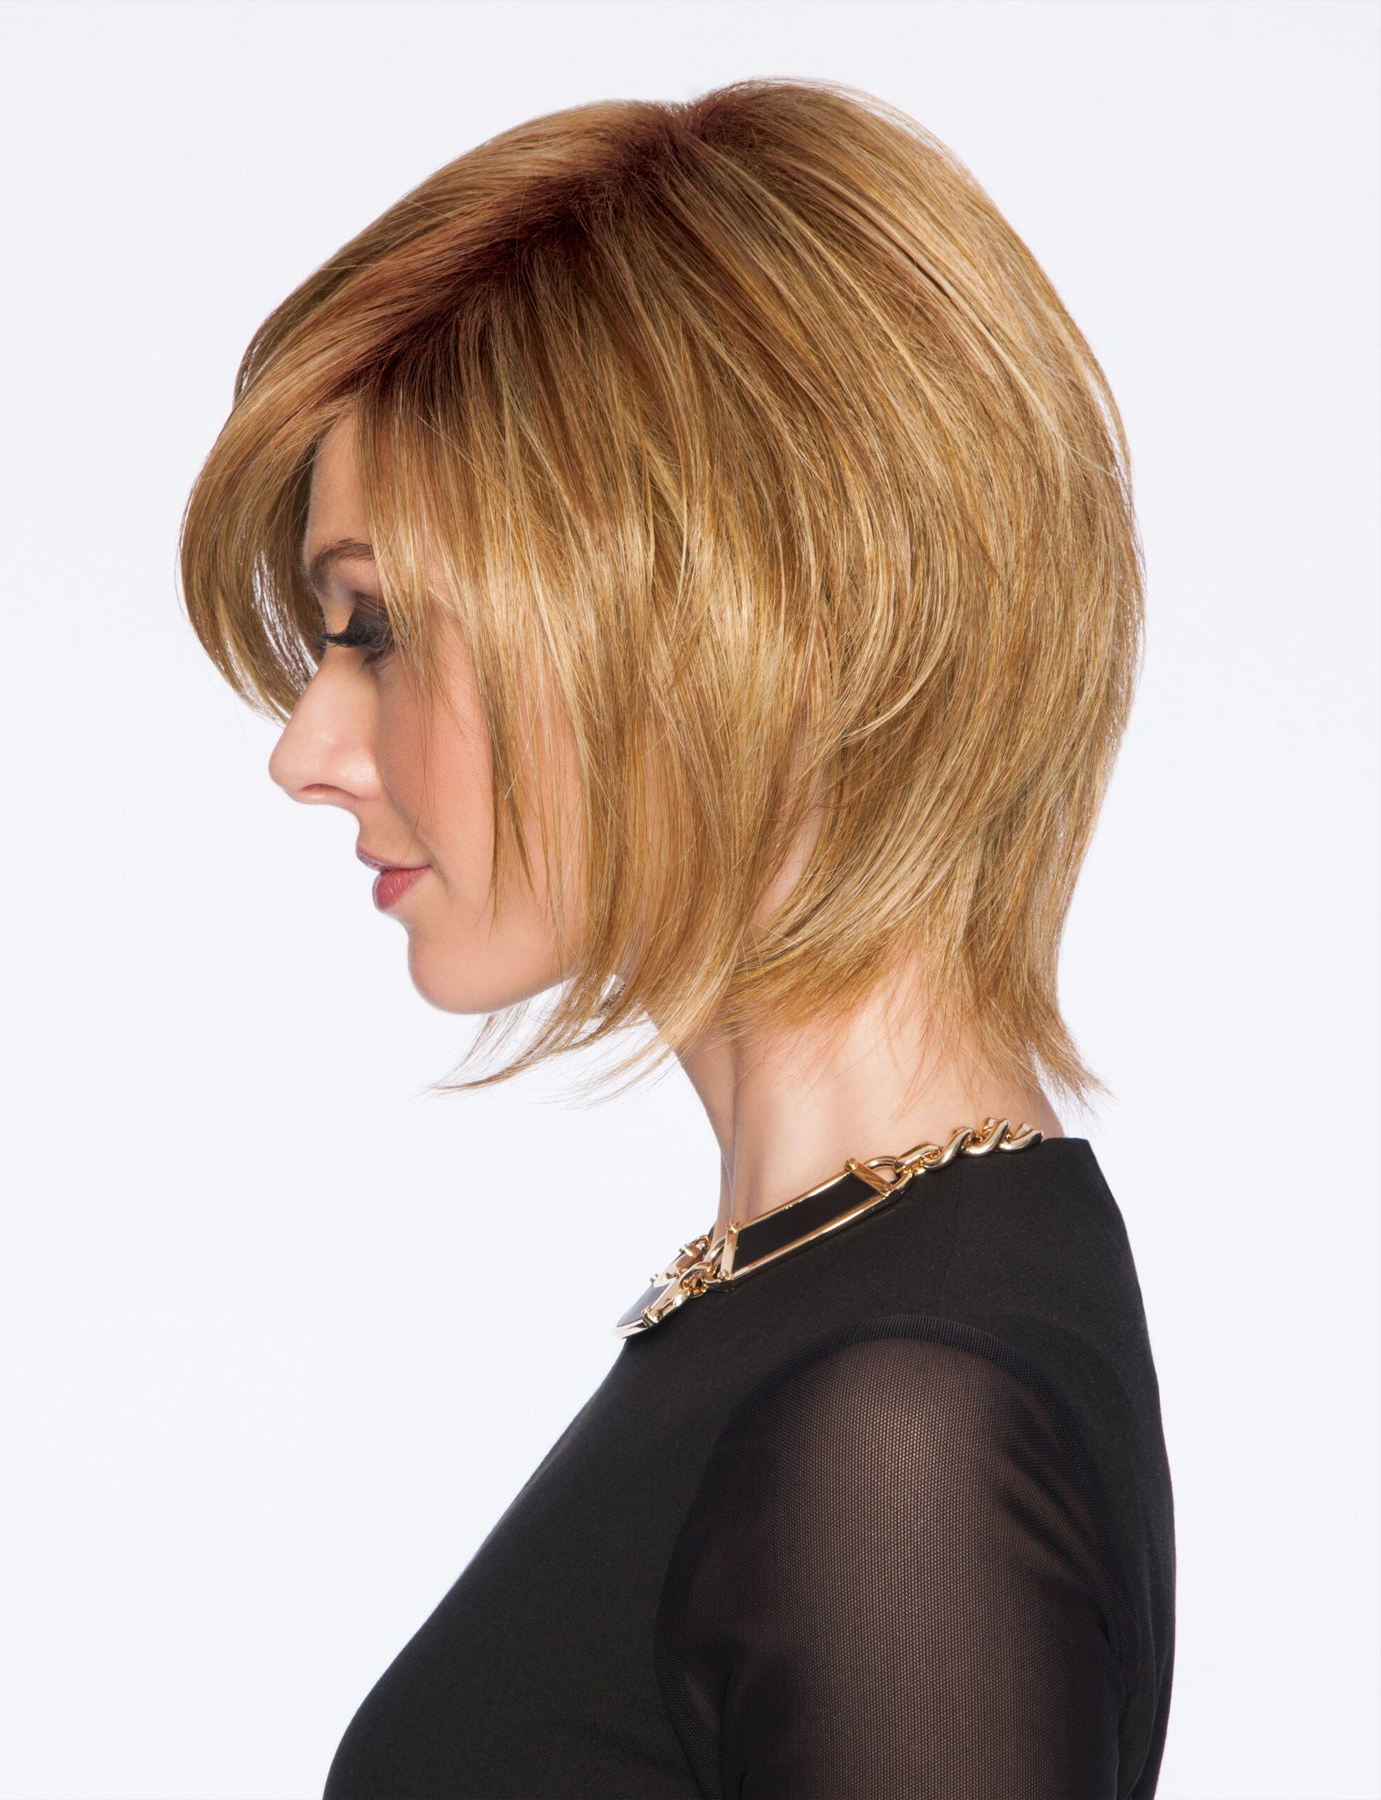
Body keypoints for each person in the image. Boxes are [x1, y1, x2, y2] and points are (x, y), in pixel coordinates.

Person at [179, 76, 1174, 1799]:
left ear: (747, 620)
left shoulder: (897, 1434)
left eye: (379, 628)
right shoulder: (825, 1311)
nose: (307, 750)